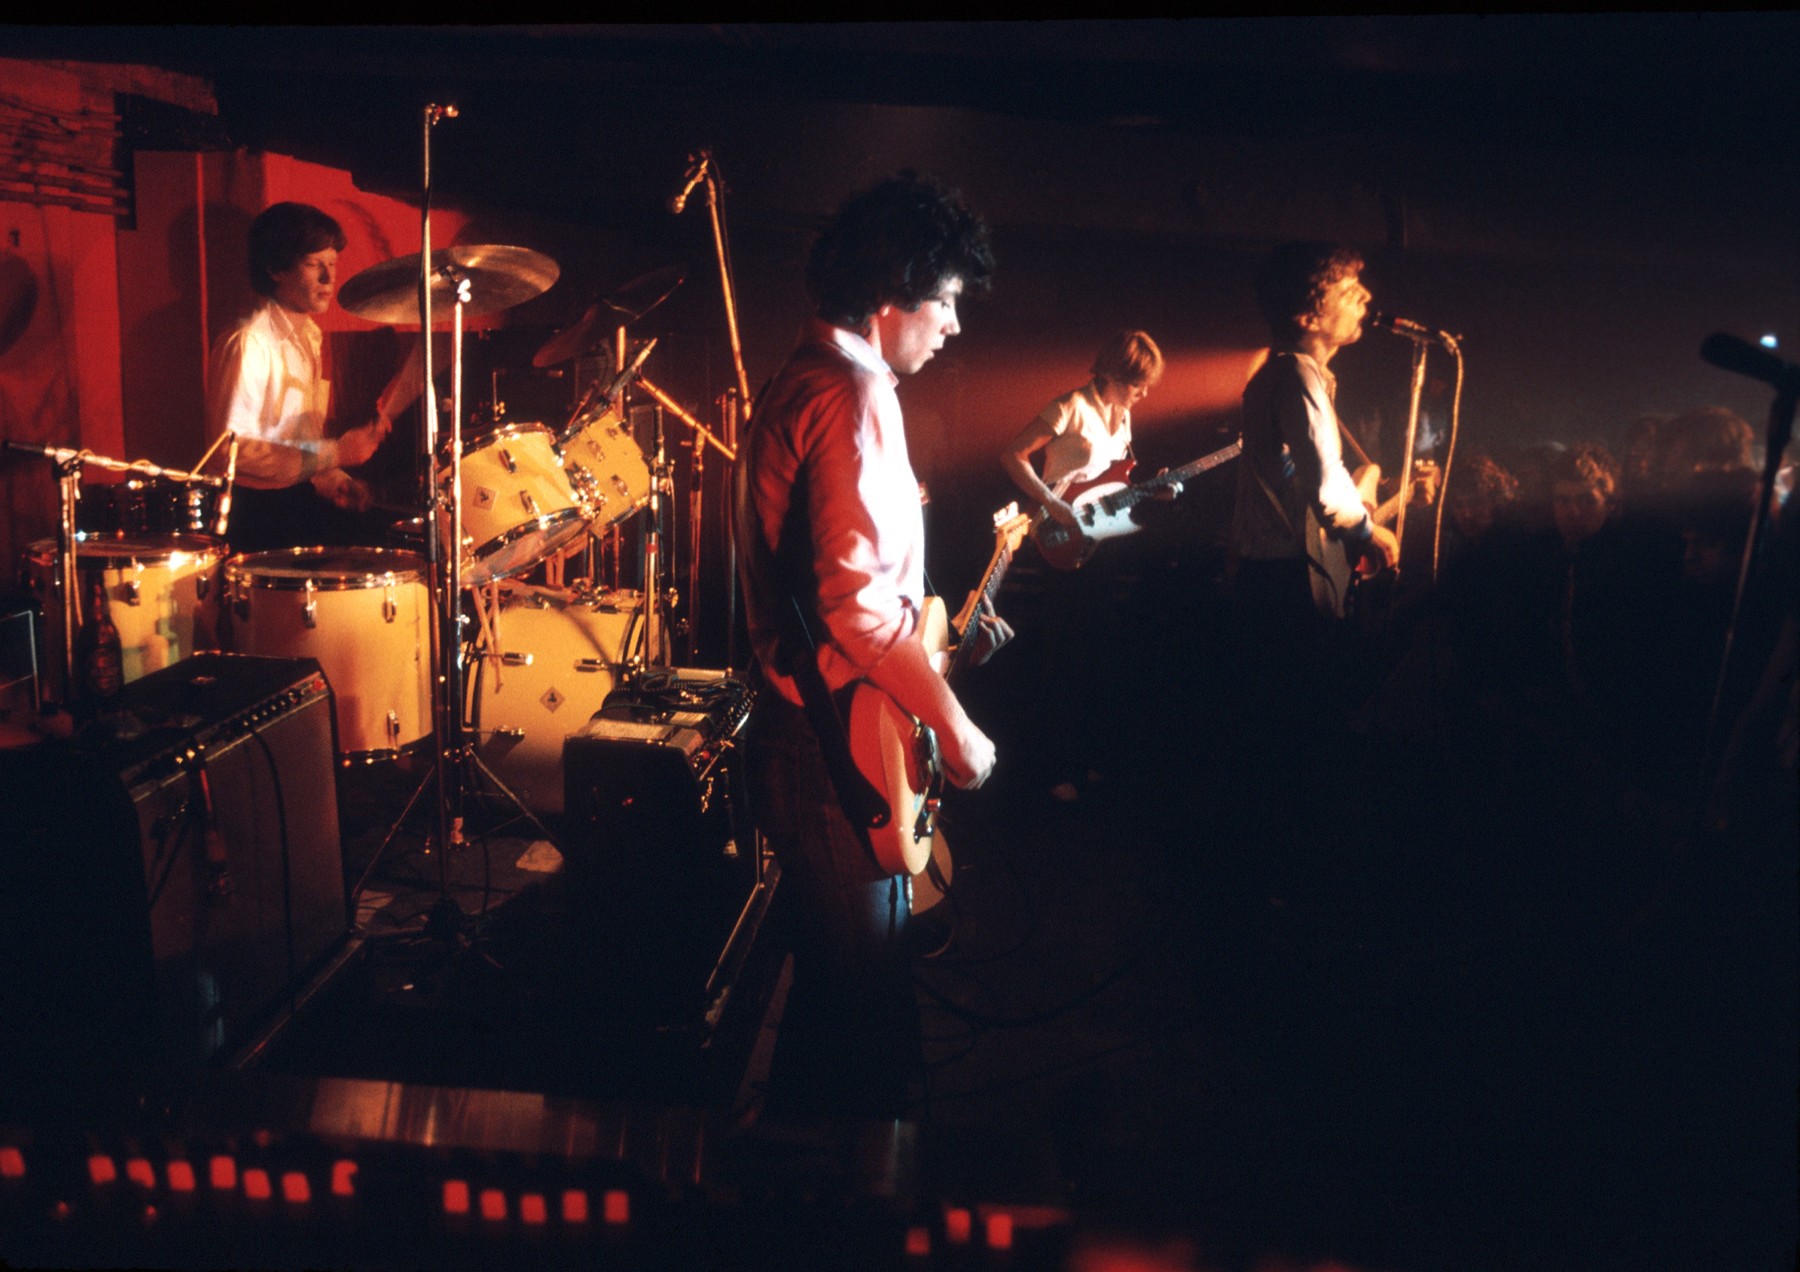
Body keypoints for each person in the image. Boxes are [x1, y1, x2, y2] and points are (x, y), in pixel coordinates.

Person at [734, 172, 1004, 1120]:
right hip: (831, 750)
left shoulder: (801, 378)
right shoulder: (853, 393)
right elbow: (857, 612)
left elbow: (853, 592)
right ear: (896, 294)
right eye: (948, 301)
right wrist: (959, 730)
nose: (954, 326)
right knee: (870, 1042)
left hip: (809, 736)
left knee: (833, 1012)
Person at [999, 329, 1165, 801]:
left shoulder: (1124, 415)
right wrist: (1049, 500)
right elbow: (1011, 454)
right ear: (1114, 373)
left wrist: (1153, 488)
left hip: (1103, 539)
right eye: (1138, 383)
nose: (1144, 392)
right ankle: (1051, 768)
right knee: (1063, 653)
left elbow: (1115, 478)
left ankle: (1086, 757)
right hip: (1059, 537)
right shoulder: (1069, 405)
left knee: (1099, 652)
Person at [206, 201, 419, 555]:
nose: (328, 278)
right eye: (313, 265)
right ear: (276, 269)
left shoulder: (310, 338)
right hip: (255, 515)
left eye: (332, 264)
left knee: (395, 547)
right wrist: (336, 453)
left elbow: (299, 443)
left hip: (295, 500)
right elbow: (231, 450)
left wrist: (334, 479)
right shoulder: (250, 343)